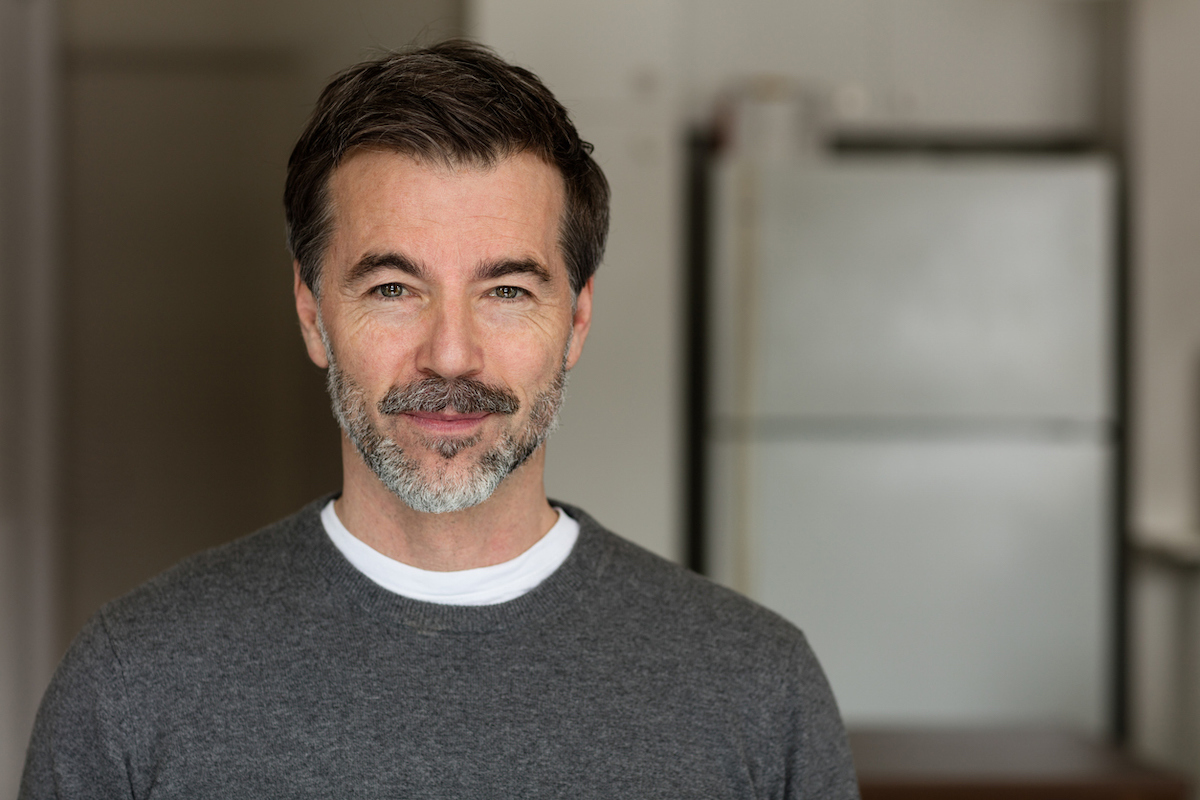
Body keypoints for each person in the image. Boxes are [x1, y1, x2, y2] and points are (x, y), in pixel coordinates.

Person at [20, 40, 858, 798]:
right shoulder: (134, 681)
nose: (451, 355)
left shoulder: (757, 687)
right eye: (393, 289)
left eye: (506, 291)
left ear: (576, 321)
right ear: (314, 317)